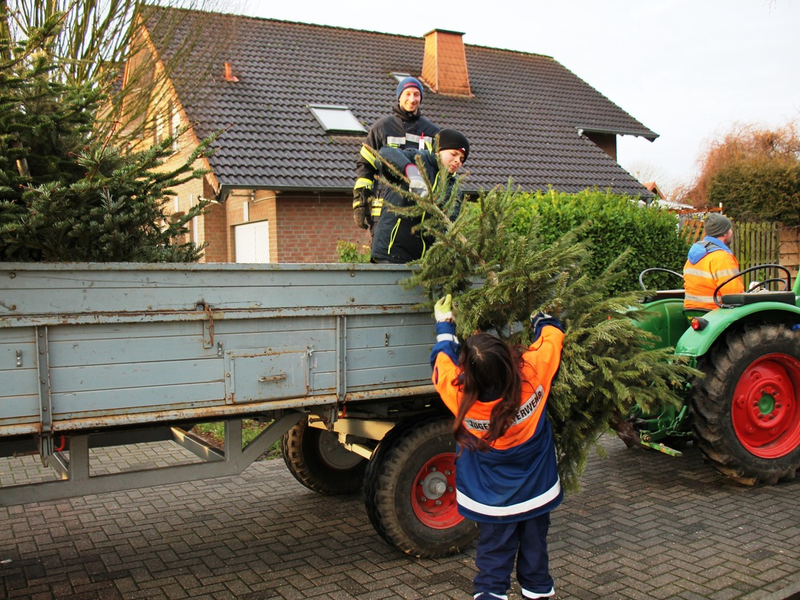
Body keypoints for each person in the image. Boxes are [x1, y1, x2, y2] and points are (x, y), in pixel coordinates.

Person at [430, 294, 564, 600]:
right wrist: (541, 316)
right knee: (536, 561)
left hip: (491, 502)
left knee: (492, 567)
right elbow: (552, 338)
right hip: (535, 493)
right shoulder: (532, 375)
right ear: (507, 359)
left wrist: (444, 324)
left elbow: (441, 361)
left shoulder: (459, 396)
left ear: (469, 374)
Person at [353, 76, 440, 234]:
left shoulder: (432, 132)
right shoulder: (381, 128)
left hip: (420, 213)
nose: (412, 99)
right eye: (407, 94)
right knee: (382, 256)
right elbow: (365, 166)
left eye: (416, 94)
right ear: (399, 96)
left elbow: (441, 173)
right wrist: (361, 203)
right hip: (385, 211)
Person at [370, 129, 469, 264]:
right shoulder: (417, 159)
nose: (458, 161)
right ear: (438, 150)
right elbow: (386, 153)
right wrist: (412, 172)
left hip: (423, 262)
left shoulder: (454, 188)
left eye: (462, 159)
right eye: (454, 154)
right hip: (391, 253)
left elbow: (449, 226)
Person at [683, 213, 745, 310]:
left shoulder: (694, 256)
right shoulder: (721, 258)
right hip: (716, 314)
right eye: (729, 229)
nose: (731, 232)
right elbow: (734, 295)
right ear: (724, 233)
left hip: (693, 313)